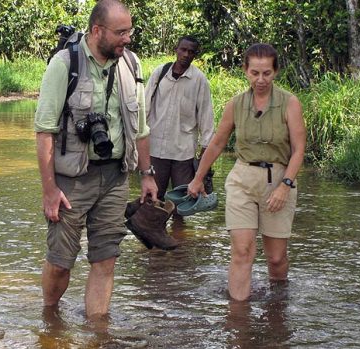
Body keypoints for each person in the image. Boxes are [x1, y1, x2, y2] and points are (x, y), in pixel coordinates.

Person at [34, 0, 158, 318]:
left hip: (116, 176)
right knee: (61, 262)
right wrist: (49, 190)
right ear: (97, 30)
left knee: (106, 258)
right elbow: (45, 131)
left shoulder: (132, 65)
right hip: (72, 181)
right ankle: (50, 317)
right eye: (121, 32)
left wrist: (147, 174)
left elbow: (141, 127)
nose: (127, 38)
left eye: (129, 31)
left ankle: (98, 332)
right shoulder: (64, 64)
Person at [188, 43, 306, 301]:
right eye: (255, 73)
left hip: (278, 181)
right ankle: (238, 317)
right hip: (242, 180)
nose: (260, 79)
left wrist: (285, 186)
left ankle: (278, 304)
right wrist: (197, 178)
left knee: (276, 259)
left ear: (275, 72)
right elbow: (218, 142)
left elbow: (299, 150)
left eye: (266, 73)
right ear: (245, 71)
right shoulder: (236, 104)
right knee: (242, 251)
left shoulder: (290, 103)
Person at [145, 35, 215, 202]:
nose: (186, 54)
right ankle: (154, 228)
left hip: (183, 153)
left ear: (195, 55)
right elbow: (145, 106)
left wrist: (205, 154)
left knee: (183, 202)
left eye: (191, 52)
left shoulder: (199, 80)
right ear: (176, 49)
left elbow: (206, 116)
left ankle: (179, 228)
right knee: (152, 199)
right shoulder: (160, 73)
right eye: (183, 50)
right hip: (156, 149)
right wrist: (138, 140)